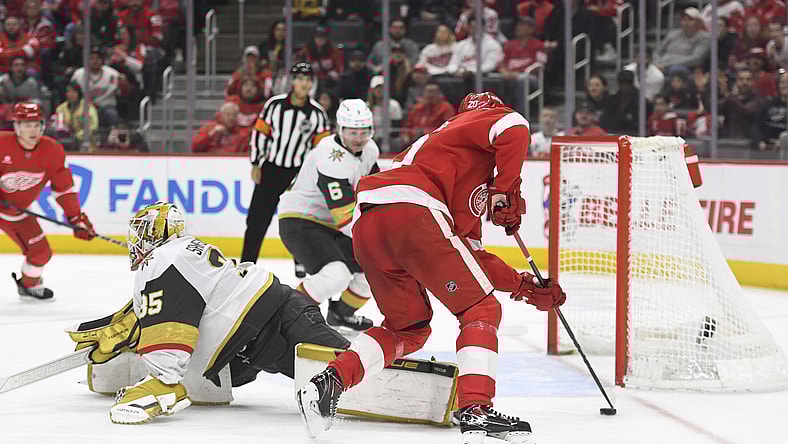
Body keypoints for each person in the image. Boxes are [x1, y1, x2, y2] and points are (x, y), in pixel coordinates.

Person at [296, 92, 566, 443]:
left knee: (406, 329)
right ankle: (476, 410)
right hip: (415, 210)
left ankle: (329, 383)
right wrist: (505, 191)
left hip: (370, 223)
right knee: (481, 308)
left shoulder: (449, 157)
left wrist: (524, 287)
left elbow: (470, 257)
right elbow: (515, 126)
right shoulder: (477, 120)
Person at [66, 201, 350, 424]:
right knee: (342, 383)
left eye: (142, 231)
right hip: (261, 338)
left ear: (156, 232)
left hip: (281, 319)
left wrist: (162, 379)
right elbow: (186, 308)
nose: (137, 240)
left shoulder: (163, 258)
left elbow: (172, 323)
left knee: (358, 372)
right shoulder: (182, 253)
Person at [277, 99, 379, 332]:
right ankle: (286, 320)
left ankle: (340, 314)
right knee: (337, 275)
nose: (358, 138)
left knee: (374, 268)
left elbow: (372, 193)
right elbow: (344, 217)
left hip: (331, 225)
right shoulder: (329, 156)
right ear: (340, 129)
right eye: (352, 132)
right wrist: (379, 239)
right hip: (300, 220)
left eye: (364, 132)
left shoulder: (370, 150)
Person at [0, 101, 96, 300]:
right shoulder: (2, 144)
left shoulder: (52, 150)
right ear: (16, 127)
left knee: (41, 253)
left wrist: (76, 218)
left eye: (37, 125)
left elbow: (64, 189)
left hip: (17, 212)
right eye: (27, 125)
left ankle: (28, 285)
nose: (33, 130)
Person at [242, 62, 330, 272]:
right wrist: (256, 162)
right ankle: (247, 262)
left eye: (308, 79)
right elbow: (260, 133)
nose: (304, 84)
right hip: (271, 169)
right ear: (292, 81)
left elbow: (321, 149)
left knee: (299, 220)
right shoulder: (275, 105)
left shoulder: (317, 114)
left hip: (297, 175)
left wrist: (313, 176)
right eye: (300, 79)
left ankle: (301, 261)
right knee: (256, 219)